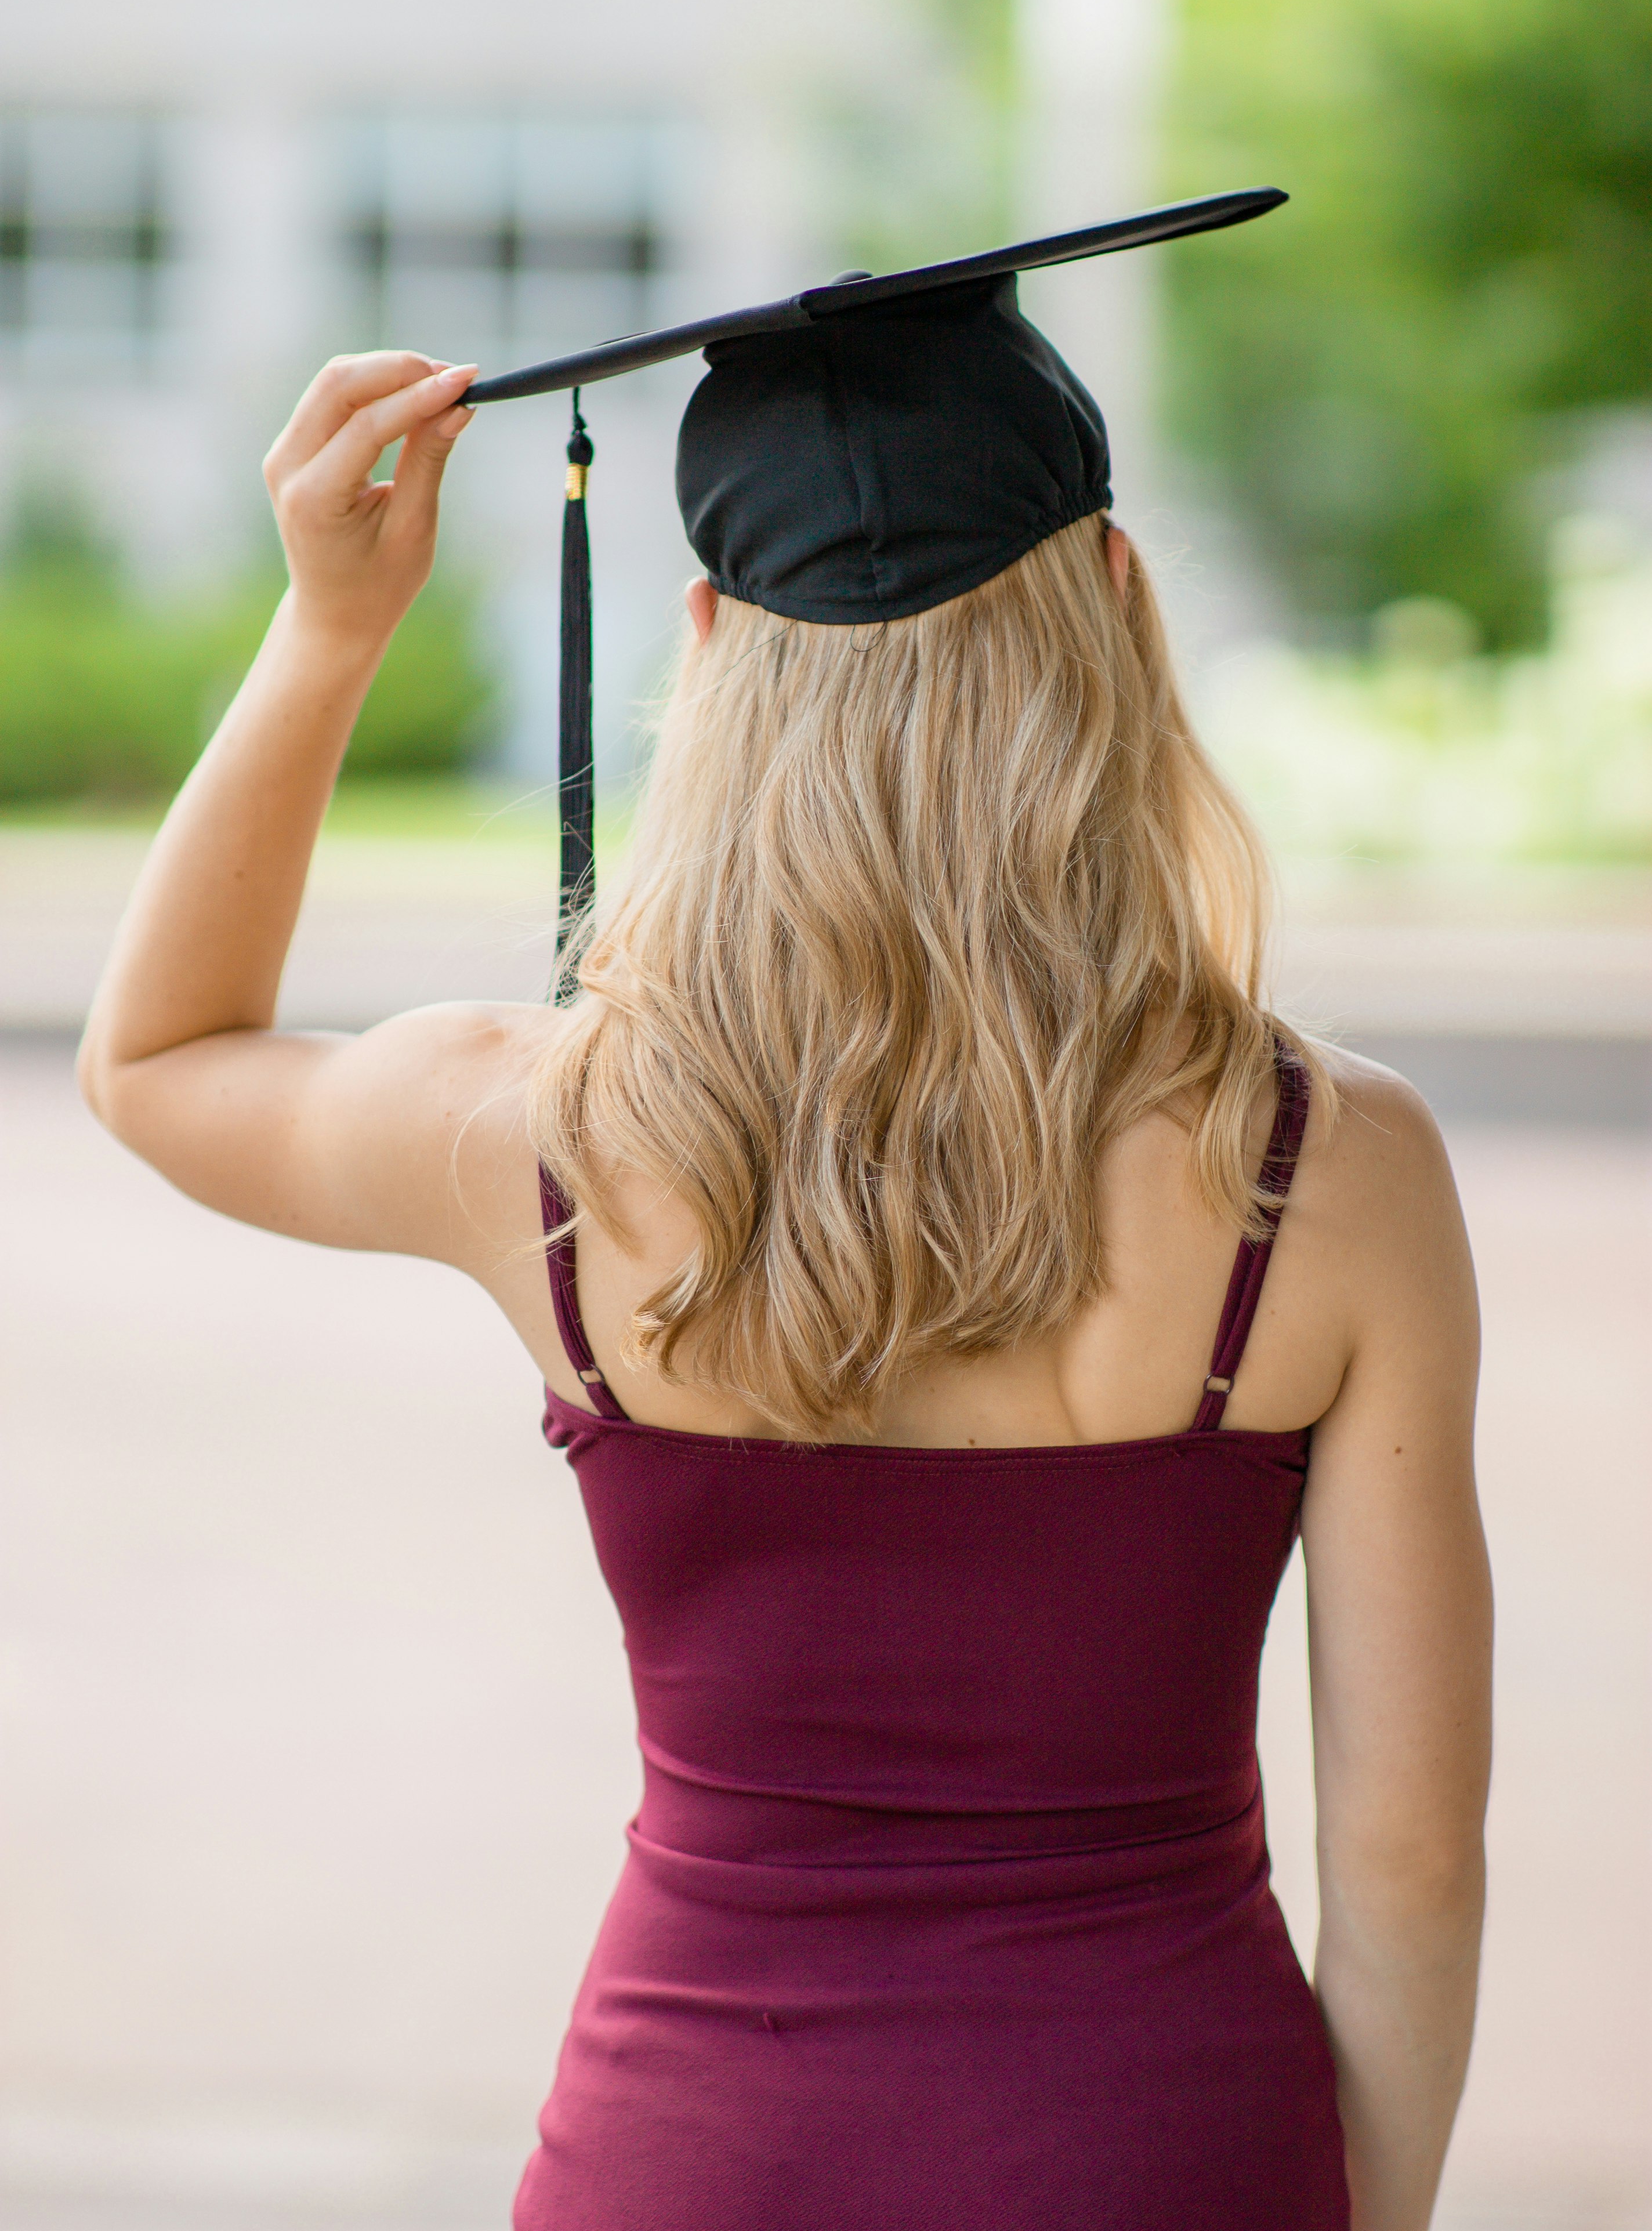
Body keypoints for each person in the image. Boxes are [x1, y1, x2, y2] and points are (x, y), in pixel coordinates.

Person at [78, 329, 1491, 2231]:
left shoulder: (541, 1142)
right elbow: (1407, 1858)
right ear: (1119, 602)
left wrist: (333, 628)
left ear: (710, 647)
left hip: (695, 2161)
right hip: (1166, 2150)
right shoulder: (1331, 1170)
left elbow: (156, 1061)